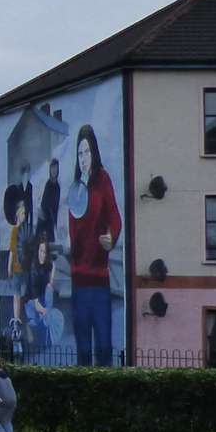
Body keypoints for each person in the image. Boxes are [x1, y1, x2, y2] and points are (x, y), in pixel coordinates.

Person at [65, 126, 121, 367]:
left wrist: (111, 236)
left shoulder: (102, 180)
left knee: (104, 348)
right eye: (80, 154)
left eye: (87, 152)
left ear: (94, 153)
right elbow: (73, 227)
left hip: (99, 279)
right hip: (78, 280)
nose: (84, 158)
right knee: (83, 351)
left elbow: (115, 216)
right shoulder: (76, 188)